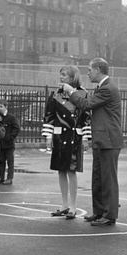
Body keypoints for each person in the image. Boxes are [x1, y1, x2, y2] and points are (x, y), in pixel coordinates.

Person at [62, 57, 123, 227]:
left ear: (97, 70)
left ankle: (110, 215)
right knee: (98, 178)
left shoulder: (107, 88)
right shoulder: (102, 87)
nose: (87, 73)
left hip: (109, 140)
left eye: (89, 70)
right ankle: (99, 212)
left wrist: (71, 91)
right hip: (101, 139)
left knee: (108, 179)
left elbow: (86, 104)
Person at [43, 65, 91, 220]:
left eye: (64, 75)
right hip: (58, 137)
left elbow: (86, 117)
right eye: (60, 74)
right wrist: (48, 136)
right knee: (60, 170)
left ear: (72, 77)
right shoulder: (55, 94)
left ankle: (73, 206)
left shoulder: (82, 93)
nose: (61, 77)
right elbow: (49, 116)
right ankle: (64, 205)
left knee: (71, 170)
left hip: (74, 137)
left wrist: (85, 138)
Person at [0, 100, 20, 185]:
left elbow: (16, 128)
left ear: (6, 107)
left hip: (9, 144)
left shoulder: (11, 117)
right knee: (1, 161)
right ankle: (1, 177)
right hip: (0, 143)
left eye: (1, 106)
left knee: (10, 161)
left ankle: (9, 178)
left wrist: (10, 137)